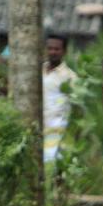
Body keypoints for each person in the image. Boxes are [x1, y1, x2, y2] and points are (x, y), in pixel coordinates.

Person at [42, 33, 76, 164]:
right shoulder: (37, 71)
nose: (52, 52)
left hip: (57, 133)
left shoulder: (70, 77)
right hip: (36, 129)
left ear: (64, 51)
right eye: (50, 48)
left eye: (57, 49)